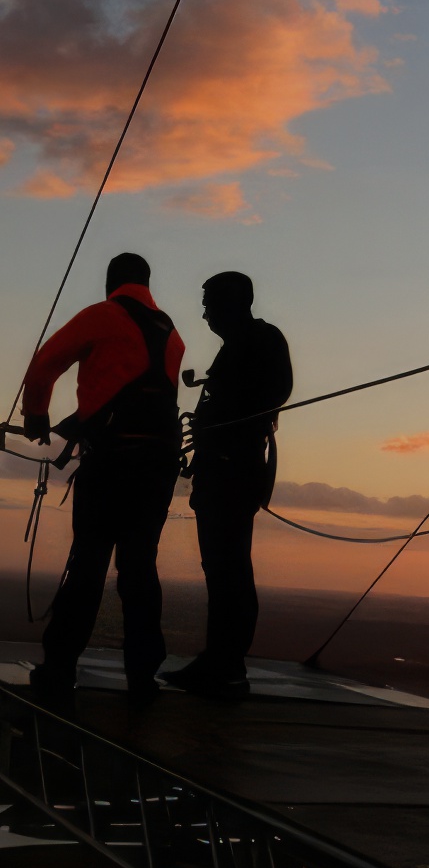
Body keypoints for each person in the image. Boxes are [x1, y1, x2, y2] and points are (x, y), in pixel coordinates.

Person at [22, 253, 184, 705]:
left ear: (111, 282)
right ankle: (142, 675)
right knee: (139, 567)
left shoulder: (103, 315)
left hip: (112, 462)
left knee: (89, 564)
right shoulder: (171, 334)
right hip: (158, 464)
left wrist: (36, 416)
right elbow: (127, 386)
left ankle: (58, 671)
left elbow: (44, 365)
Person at [165, 272, 291, 701]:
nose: (204, 312)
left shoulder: (258, 341)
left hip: (232, 470)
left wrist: (222, 422)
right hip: (226, 468)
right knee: (224, 569)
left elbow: (273, 394)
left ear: (232, 304)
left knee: (228, 570)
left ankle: (225, 664)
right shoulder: (247, 344)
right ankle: (222, 661)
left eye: (209, 303)